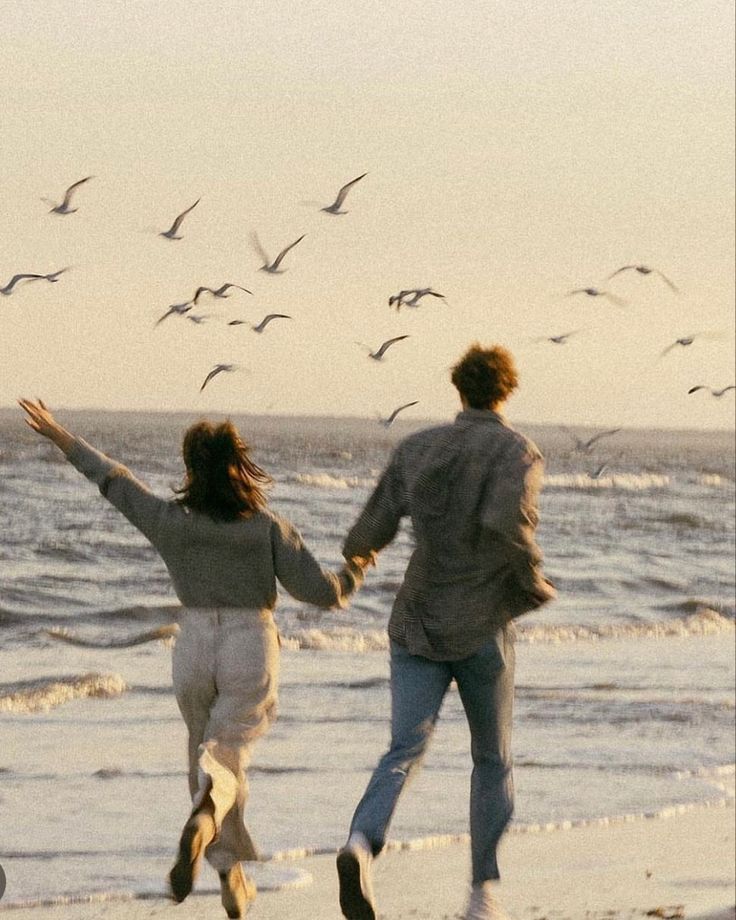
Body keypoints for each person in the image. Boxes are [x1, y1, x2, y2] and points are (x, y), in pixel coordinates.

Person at [18, 399, 369, 920]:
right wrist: (355, 569)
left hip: (194, 642)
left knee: (206, 757)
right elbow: (320, 592)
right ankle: (202, 825)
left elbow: (114, 480)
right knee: (225, 762)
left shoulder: (170, 521)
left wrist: (61, 436)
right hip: (250, 642)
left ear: (189, 469)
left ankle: (230, 877)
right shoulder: (266, 526)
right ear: (238, 464)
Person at [335, 344, 556, 920]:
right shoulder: (520, 453)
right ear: (506, 390)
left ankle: (362, 840)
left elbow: (366, 533)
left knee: (403, 748)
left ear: (458, 389)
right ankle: (483, 895)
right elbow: (506, 523)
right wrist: (534, 580)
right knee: (492, 758)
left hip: (419, 619)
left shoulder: (418, 448)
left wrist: (356, 559)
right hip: (483, 624)